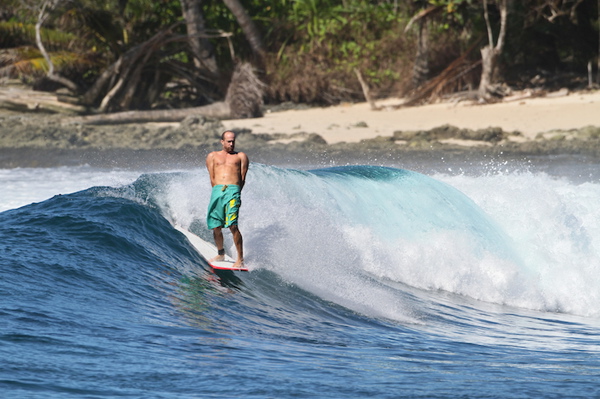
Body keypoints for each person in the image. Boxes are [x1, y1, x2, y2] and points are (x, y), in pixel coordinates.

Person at [205, 130, 249, 267]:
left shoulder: (241, 156)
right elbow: (212, 177)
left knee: (233, 225)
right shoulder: (212, 156)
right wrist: (218, 191)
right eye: (229, 141)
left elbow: (242, 178)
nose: (231, 144)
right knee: (216, 226)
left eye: (233, 141)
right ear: (222, 142)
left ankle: (240, 259)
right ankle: (220, 253)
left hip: (233, 191)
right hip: (217, 191)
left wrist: (235, 192)